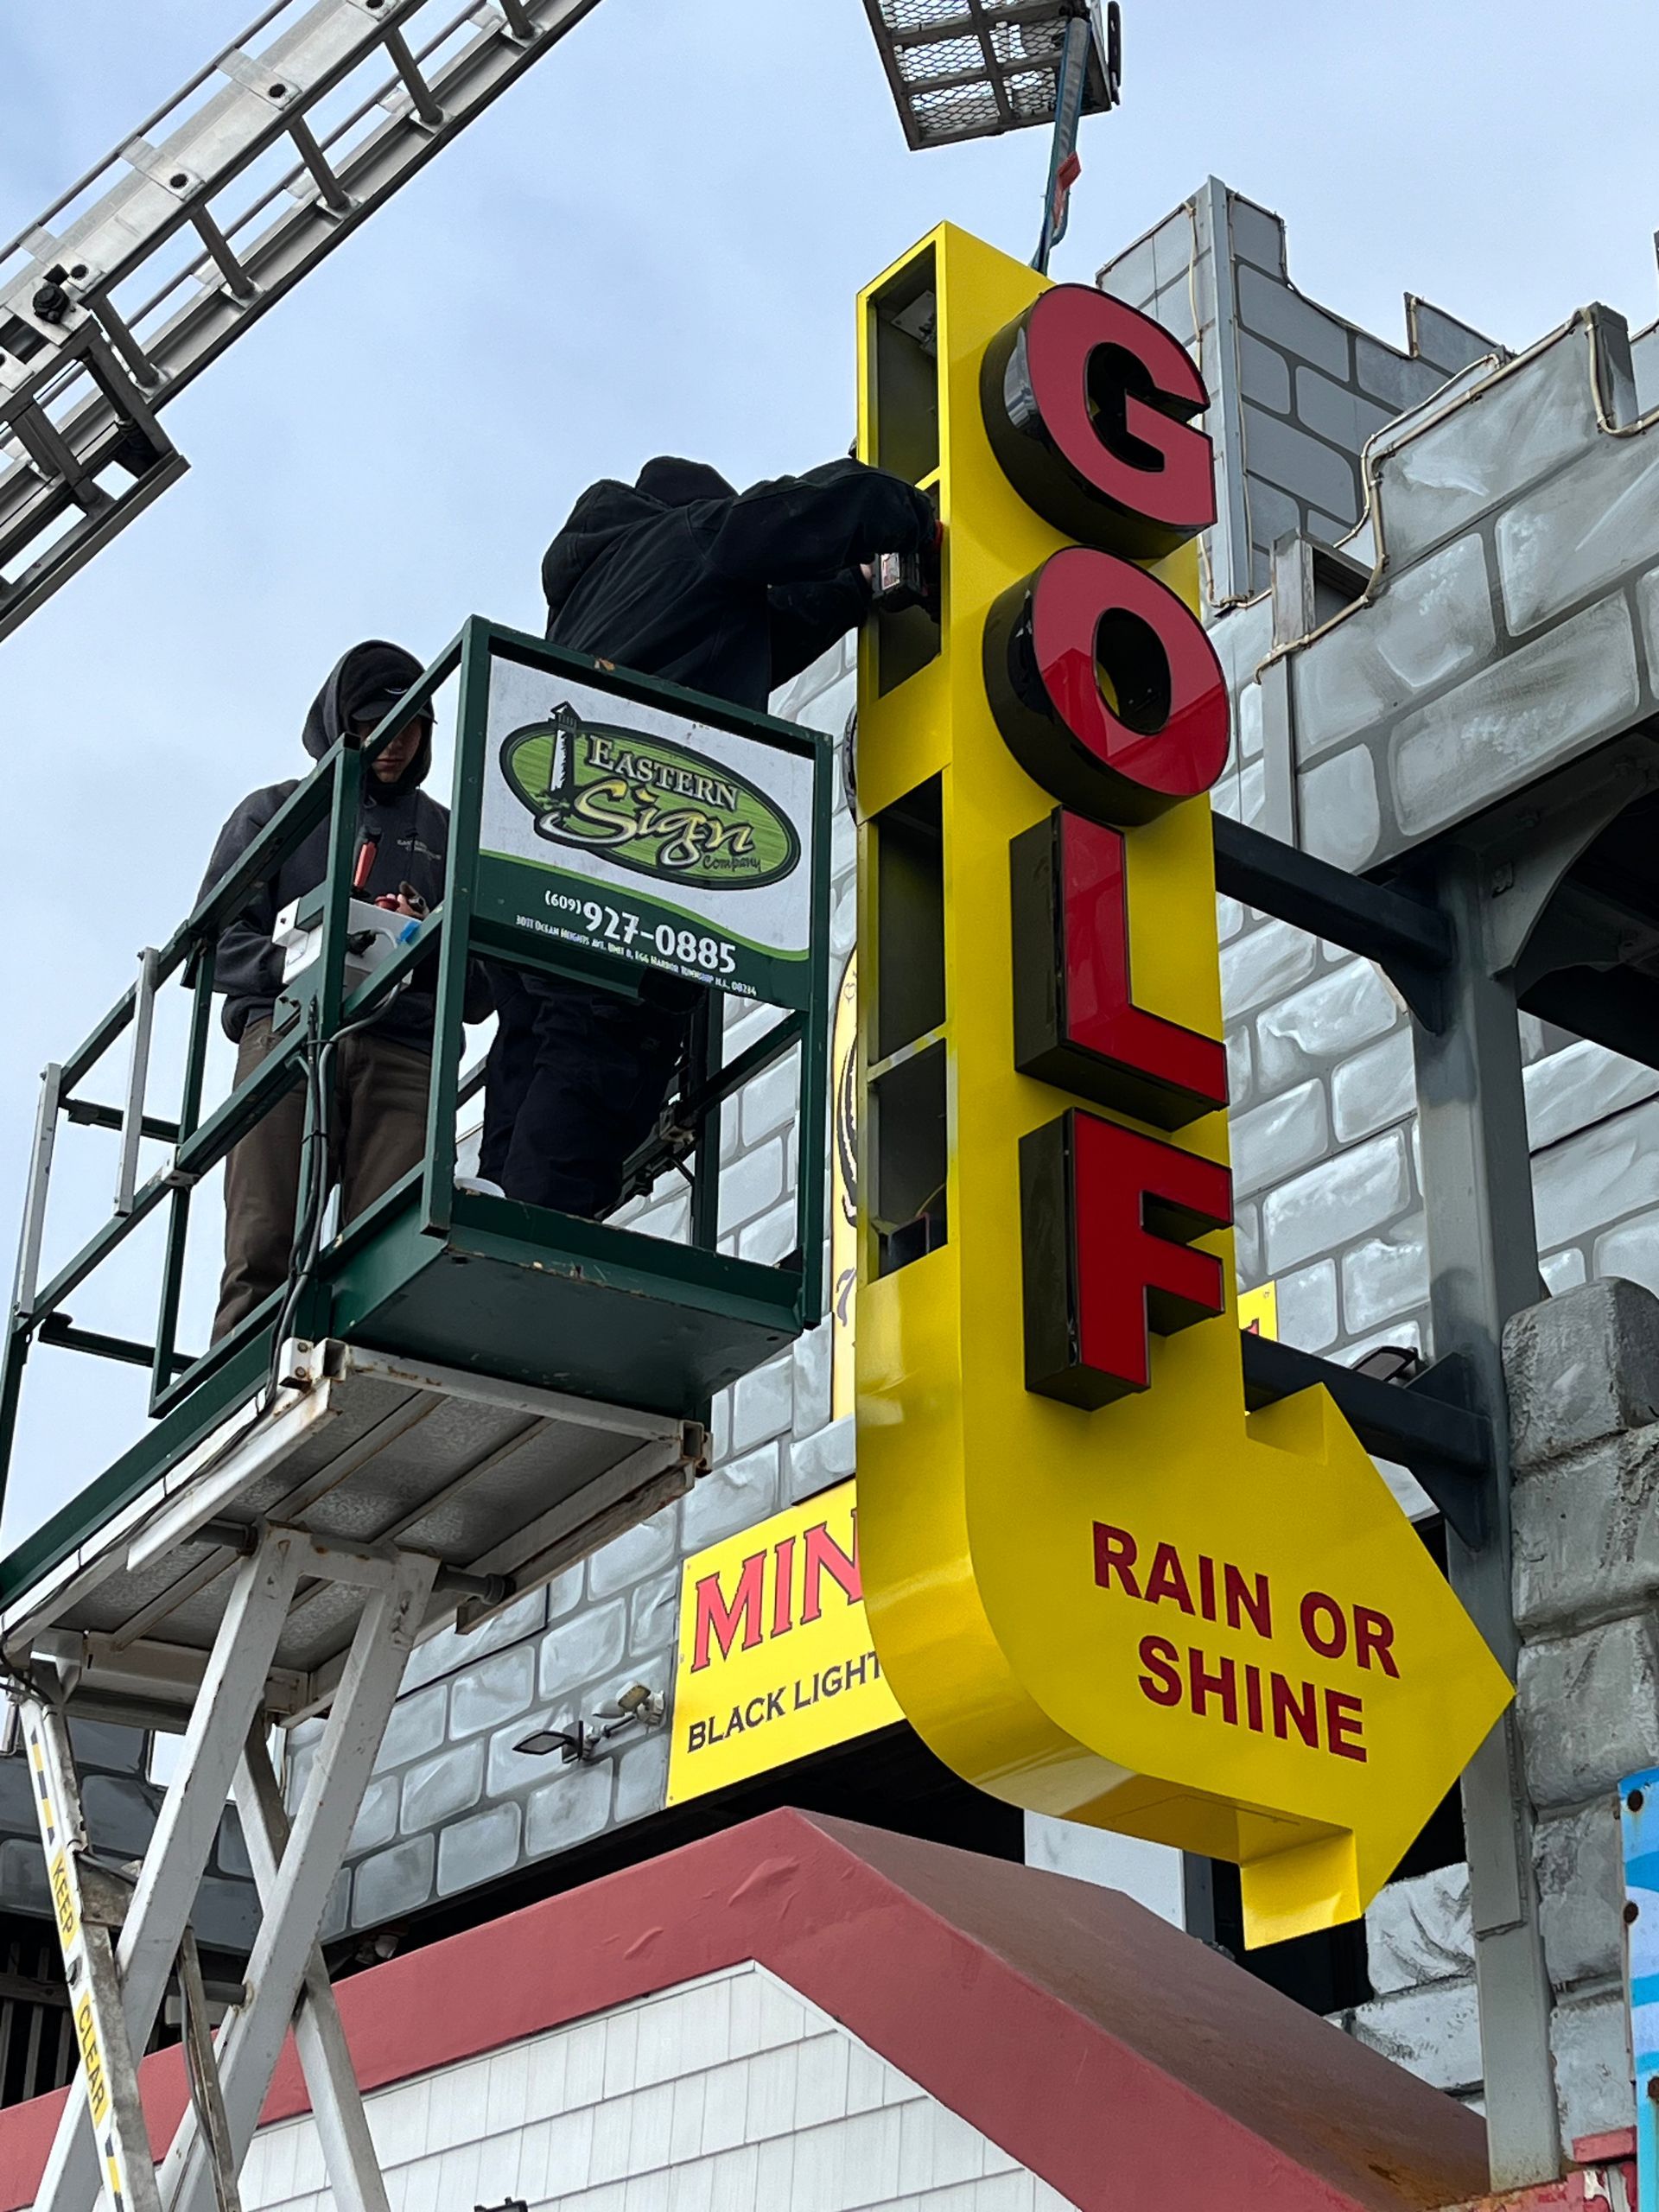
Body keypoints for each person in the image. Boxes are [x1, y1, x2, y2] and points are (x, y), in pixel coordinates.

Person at [478, 455, 936, 1219]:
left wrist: (857, 588)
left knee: (530, 1051)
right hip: (622, 885)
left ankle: (486, 1221)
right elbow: (797, 512)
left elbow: (767, 631)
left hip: (539, 875)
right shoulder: (690, 539)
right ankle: (531, 1244)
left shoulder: (598, 594)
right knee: (599, 1061)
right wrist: (914, 514)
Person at [203, 639, 486, 1341]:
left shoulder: (450, 836)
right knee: (263, 1241)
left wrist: (427, 939)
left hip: (407, 1047)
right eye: (371, 725)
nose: (393, 744)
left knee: (390, 1248)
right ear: (339, 723)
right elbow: (214, 948)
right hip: (289, 1035)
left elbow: (483, 988)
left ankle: (367, 1381)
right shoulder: (275, 814)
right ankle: (240, 1399)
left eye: (411, 725)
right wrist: (310, 950)